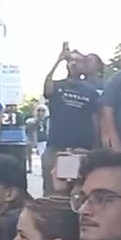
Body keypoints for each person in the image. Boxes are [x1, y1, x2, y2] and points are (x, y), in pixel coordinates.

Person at [42, 45, 101, 195]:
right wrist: (58, 60)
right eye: (71, 61)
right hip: (56, 147)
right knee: (51, 191)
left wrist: (94, 148)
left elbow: (95, 120)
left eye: (78, 61)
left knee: (78, 191)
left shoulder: (91, 91)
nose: (74, 64)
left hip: (81, 148)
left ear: (84, 67)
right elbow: (47, 88)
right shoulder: (58, 85)